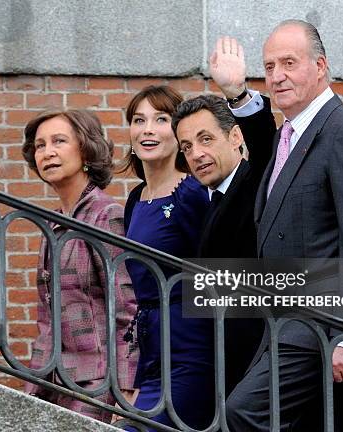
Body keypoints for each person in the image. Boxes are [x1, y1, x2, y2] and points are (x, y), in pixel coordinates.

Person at [224, 20, 343, 431]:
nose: (277, 76)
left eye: (289, 62)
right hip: (285, 322)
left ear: (320, 65)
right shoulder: (290, 135)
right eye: (269, 66)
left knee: (244, 412)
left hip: (323, 326)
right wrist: (236, 92)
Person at [172, 36, 276, 396]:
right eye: (187, 147)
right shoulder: (209, 199)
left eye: (205, 139)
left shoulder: (255, 179)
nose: (196, 153)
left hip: (262, 361)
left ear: (234, 137)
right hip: (222, 369)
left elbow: (266, 145)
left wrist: (237, 94)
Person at [21, 109, 138, 423]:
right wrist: (32, 387)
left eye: (59, 141)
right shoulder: (53, 224)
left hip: (98, 382)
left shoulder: (106, 215)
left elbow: (127, 308)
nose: (48, 152)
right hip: (55, 382)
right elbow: (47, 318)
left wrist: (125, 388)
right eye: (41, 145)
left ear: (85, 149)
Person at [120, 85, 215, 430]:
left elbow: (214, 268)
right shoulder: (135, 198)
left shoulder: (191, 192)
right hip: (151, 352)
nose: (147, 129)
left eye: (161, 119)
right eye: (138, 120)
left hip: (191, 349)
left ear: (178, 132)